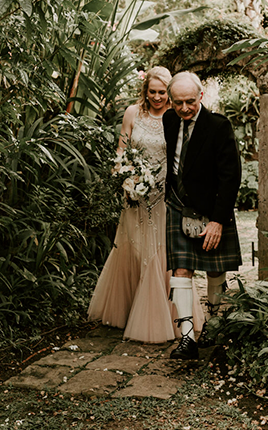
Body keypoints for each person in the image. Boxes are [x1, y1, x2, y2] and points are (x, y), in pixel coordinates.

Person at [87, 67, 203, 344]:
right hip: (135, 194)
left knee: (159, 252)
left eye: (162, 92)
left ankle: (166, 315)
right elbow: (122, 149)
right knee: (132, 248)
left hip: (164, 194)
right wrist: (127, 177)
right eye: (152, 92)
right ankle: (128, 309)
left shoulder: (176, 117)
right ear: (145, 91)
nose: (157, 97)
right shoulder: (132, 113)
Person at [163, 71, 242, 360]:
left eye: (189, 102)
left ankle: (213, 327)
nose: (184, 108)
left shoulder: (219, 126)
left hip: (211, 210)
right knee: (180, 271)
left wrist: (218, 220)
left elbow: (231, 176)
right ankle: (187, 339)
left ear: (201, 97)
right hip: (178, 206)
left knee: (214, 270)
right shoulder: (169, 120)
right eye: (178, 102)